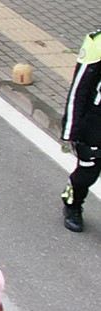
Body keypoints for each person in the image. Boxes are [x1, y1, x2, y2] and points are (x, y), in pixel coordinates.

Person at [60, 29, 100, 232]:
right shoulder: (97, 43)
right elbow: (79, 90)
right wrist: (71, 132)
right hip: (95, 124)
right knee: (88, 173)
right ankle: (72, 202)